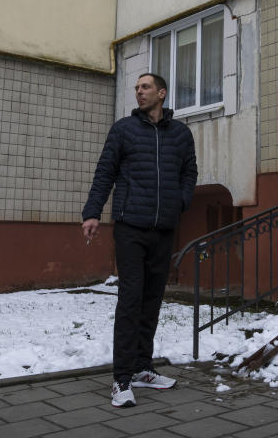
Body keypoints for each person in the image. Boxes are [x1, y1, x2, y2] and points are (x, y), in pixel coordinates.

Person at [81, 73, 197, 408]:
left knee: (152, 299)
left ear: (161, 93)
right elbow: (105, 171)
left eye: (145, 87)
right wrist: (92, 212)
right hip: (131, 226)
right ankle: (121, 379)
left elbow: (190, 171)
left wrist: (182, 201)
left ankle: (143, 368)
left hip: (164, 228)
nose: (139, 92)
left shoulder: (180, 133)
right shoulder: (124, 129)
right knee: (131, 300)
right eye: (136, 88)